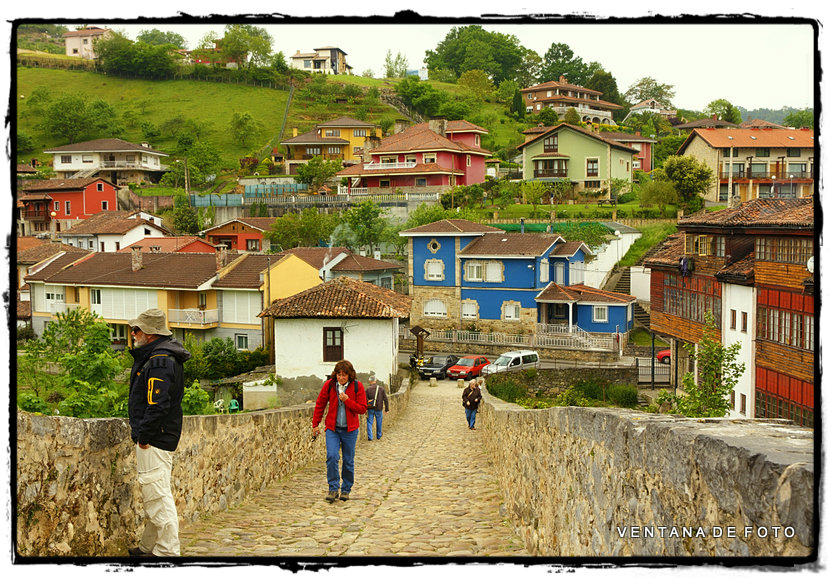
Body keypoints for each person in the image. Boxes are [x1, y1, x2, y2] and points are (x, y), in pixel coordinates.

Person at [126, 309, 191, 557]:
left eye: (136, 330)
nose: (133, 334)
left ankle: (167, 553)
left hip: (155, 438)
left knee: (157, 497)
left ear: (150, 333)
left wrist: (144, 437)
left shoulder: (160, 360)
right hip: (160, 435)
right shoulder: (162, 355)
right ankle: (148, 547)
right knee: (156, 491)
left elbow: (158, 404)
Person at [312, 360, 368, 503]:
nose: (341, 378)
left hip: (350, 430)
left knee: (348, 461)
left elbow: (362, 408)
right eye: (339, 374)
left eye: (344, 375)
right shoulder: (329, 385)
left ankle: (346, 490)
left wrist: (347, 400)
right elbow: (320, 404)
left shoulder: (357, 386)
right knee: (331, 456)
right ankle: (333, 488)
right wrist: (315, 424)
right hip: (333, 429)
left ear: (350, 375)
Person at [364, 375, 389, 441]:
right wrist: (387, 409)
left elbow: (365, 400)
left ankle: (370, 437)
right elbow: (385, 399)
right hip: (379, 408)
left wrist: (365, 408)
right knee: (379, 422)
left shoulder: (368, 389)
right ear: (375, 380)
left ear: (370, 381)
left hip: (370, 408)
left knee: (369, 422)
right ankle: (378, 435)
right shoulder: (381, 389)